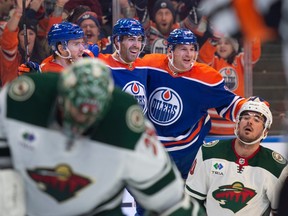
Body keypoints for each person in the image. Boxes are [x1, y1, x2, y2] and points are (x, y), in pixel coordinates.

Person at [0, 58, 205, 216]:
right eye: (77, 108)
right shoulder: (23, 99)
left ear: (107, 106)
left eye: (91, 112)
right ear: (61, 94)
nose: (82, 118)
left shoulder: (127, 125)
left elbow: (171, 201)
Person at [139, 28, 250, 180]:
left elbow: (229, 103)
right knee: (150, 199)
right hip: (154, 150)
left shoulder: (206, 77)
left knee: (190, 199)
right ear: (170, 50)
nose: (189, 54)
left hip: (188, 152)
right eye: (183, 49)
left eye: (192, 49)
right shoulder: (149, 65)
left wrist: (250, 109)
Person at [185, 98, 288, 215]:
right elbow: (194, 200)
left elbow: (281, 211)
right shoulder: (209, 152)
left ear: (265, 131)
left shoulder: (276, 167)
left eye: (257, 119)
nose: (250, 122)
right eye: (245, 117)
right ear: (238, 123)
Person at [198, 36, 261, 135]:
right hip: (211, 126)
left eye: (227, 43)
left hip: (235, 125)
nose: (222, 46)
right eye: (219, 43)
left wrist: (251, 35)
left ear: (234, 46)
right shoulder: (212, 62)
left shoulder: (240, 61)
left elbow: (253, 54)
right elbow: (203, 57)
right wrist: (214, 39)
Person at [98, 18, 148, 114]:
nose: (136, 45)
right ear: (117, 41)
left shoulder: (145, 65)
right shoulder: (102, 64)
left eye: (139, 40)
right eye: (131, 39)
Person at [0, 0, 47, 86]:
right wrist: (18, 12)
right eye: (23, 34)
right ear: (17, 38)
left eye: (31, 33)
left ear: (36, 37)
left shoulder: (44, 58)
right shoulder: (12, 59)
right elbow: (8, 39)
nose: (27, 38)